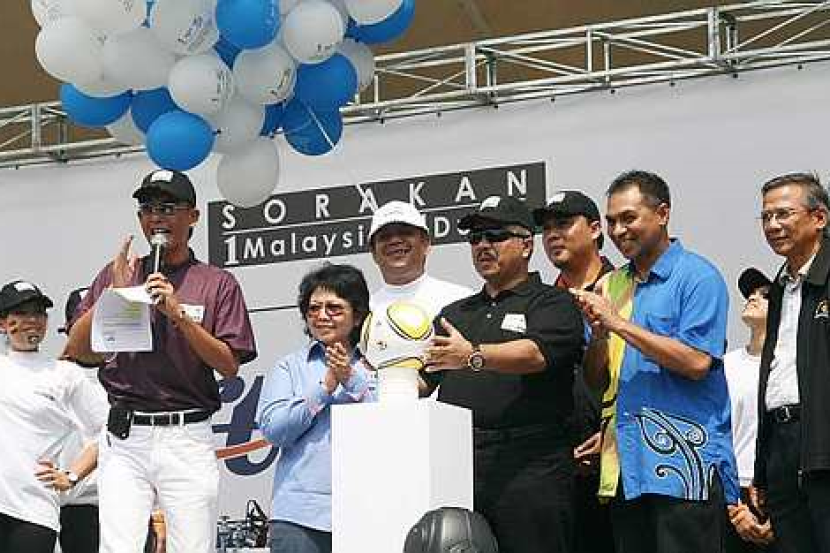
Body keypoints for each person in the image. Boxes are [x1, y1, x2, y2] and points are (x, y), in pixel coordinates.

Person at [64, 168, 258, 553]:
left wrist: (179, 315)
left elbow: (228, 364)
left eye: (168, 208)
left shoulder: (215, 282)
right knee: (118, 547)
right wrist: (114, 296)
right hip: (124, 435)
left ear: (193, 216)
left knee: (192, 546)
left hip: (186, 435)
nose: (156, 217)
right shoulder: (118, 273)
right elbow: (79, 350)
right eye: (148, 208)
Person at [572, 170, 739, 553]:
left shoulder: (697, 276)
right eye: (611, 221)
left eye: (628, 218)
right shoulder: (612, 284)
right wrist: (600, 335)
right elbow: (597, 381)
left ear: (662, 213)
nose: (618, 230)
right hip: (627, 468)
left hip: (686, 465)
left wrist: (617, 323)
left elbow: (697, 362)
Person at [424, 195, 585, 553]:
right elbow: (424, 378)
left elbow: (536, 353)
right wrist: (376, 372)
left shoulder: (553, 301)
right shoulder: (454, 313)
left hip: (531, 465)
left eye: (495, 236)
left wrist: (472, 356)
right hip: (459, 463)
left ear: (526, 245)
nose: (483, 245)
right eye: (475, 238)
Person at [256, 264, 375, 553]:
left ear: (358, 315)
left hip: (367, 511)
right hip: (300, 516)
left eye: (334, 308)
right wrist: (324, 388)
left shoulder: (376, 366)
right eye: (313, 309)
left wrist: (351, 379)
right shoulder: (289, 367)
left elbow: (390, 428)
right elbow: (274, 431)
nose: (322, 316)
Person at [532, 190, 615, 553]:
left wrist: (611, 434)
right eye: (547, 228)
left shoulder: (628, 288)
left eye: (564, 224)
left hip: (622, 463)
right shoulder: (541, 302)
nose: (553, 235)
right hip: (559, 468)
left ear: (595, 229)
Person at [753, 173, 830, 553]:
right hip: (782, 446)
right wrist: (762, 466)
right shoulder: (781, 286)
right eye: (766, 217)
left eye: (783, 214)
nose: (773, 225)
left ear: (819, 218)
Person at [0, 280, 107, 553]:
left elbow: (108, 429)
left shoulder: (65, 374)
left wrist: (72, 476)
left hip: (34, 512)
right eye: (21, 313)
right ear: (3, 323)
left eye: (38, 313)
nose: (32, 320)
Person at [724, 268, 777, 552]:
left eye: (765, 295)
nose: (753, 298)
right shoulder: (726, 364)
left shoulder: (790, 366)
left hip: (776, 486)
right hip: (731, 489)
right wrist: (731, 500)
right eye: (750, 294)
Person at [56, 287, 106, 553]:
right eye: (84, 325)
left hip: (130, 501)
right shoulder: (54, 378)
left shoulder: (132, 375)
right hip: (79, 508)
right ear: (69, 330)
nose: (91, 332)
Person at [368, 200, 471, 317]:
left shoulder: (461, 300)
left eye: (405, 232)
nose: (395, 241)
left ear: (425, 244)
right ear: (373, 253)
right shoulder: (364, 312)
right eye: (385, 236)